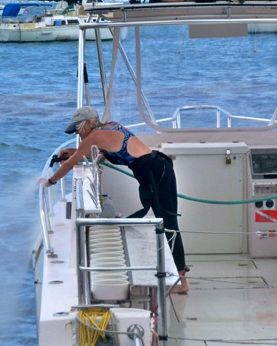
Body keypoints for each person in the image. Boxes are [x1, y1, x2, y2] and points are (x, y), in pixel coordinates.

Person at [40, 106, 189, 294]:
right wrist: (73, 151)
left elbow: (71, 163)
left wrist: (50, 181)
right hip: (159, 166)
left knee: (167, 222)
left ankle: (182, 283)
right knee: (167, 220)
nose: (76, 133)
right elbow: (101, 155)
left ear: (87, 123)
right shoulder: (112, 126)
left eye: (77, 128)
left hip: (154, 171)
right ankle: (181, 279)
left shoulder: (94, 137)